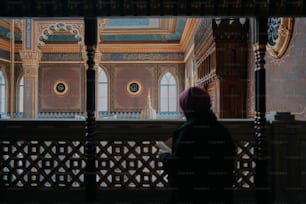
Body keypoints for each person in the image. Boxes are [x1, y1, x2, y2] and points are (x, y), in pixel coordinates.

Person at [158, 86, 235, 204]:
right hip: (219, 194)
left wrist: (164, 156)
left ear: (187, 107)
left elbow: (177, 167)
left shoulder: (188, 131)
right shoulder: (221, 130)